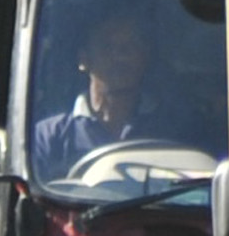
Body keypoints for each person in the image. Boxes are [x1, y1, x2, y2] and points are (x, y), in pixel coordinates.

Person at [29, 10, 160, 184]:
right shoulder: (49, 138)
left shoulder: (172, 128)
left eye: (130, 46)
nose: (120, 56)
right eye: (107, 46)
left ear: (144, 57)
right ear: (84, 60)